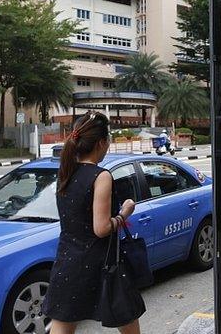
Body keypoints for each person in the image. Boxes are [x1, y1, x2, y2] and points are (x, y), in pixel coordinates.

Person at [42, 111, 142, 334]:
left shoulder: (65, 172)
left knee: (63, 326)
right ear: (101, 143)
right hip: (103, 264)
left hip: (68, 262)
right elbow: (101, 228)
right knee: (128, 323)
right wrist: (125, 213)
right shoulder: (101, 176)